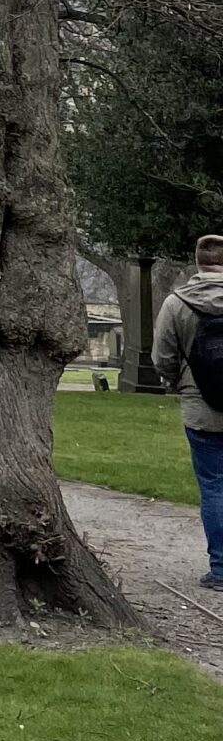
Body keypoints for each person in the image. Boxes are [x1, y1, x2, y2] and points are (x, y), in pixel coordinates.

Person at [151, 233, 223, 587]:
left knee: (213, 487)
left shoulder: (176, 304)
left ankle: (221, 569)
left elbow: (162, 357)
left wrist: (178, 381)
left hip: (200, 408)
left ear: (197, 263)